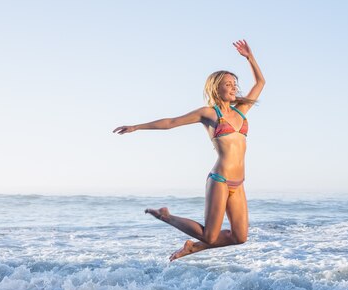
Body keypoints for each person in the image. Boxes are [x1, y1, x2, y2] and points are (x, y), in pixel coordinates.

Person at [113, 39, 265, 261]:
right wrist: (137, 127)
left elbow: (260, 82)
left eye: (235, 84)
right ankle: (167, 216)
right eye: (228, 84)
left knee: (240, 237)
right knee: (211, 236)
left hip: (238, 182)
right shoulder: (210, 114)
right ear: (216, 88)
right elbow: (171, 122)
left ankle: (193, 248)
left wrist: (250, 57)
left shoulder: (242, 110)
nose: (234, 87)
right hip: (220, 179)